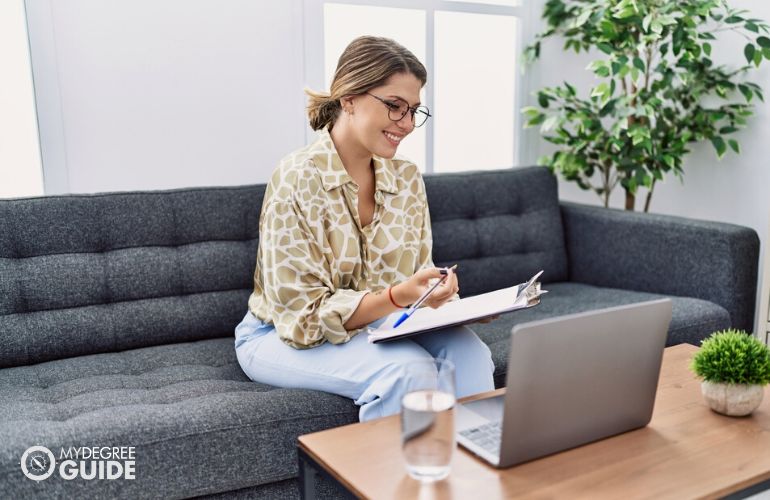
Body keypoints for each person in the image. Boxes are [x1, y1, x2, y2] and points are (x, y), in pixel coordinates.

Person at [235, 35, 495, 422]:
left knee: (471, 354)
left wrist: (434, 295)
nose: (406, 124)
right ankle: (390, 482)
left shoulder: (405, 177)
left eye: (413, 111)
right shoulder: (298, 178)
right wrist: (397, 296)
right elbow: (302, 318)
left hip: (379, 321)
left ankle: (476, 470)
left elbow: (413, 276)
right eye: (394, 106)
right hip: (280, 333)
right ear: (349, 98)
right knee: (407, 370)